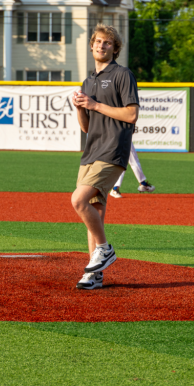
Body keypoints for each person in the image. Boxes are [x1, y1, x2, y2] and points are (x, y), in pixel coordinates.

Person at [71, 24, 140, 291]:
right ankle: (94, 275)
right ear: (91, 46)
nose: (102, 45)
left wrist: (95, 104)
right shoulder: (88, 82)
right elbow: (87, 127)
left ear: (115, 48)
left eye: (107, 42)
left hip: (113, 149)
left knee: (78, 200)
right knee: (94, 211)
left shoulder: (122, 74)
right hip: (92, 151)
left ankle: (104, 249)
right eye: (98, 41)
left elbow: (131, 115)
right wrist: (80, 107)